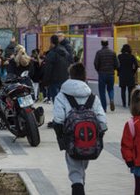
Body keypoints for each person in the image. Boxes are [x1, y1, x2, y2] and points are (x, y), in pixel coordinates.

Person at [52, 62, 107, 195]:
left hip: (71, 139)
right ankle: (80, 185)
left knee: (75, 171)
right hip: (89, 140)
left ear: (70, 75)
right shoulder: (93, 97)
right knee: (82, 166)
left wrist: (61, 138)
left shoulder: (62, 96)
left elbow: (58, 120)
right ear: (84, 77)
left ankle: (78, 188)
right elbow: (102, 121)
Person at [43, 35, 70, 103]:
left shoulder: (52, 53)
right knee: (64, 100)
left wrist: (45, 81)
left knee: (57, 101)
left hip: (54, 80)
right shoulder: (65, 52)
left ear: (51, 42)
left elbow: (48, 68)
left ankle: (59, 113)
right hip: (65, 79)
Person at [94, 39, 118, 112]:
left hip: (102, 74)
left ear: (101, 44)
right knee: (110, 89)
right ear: (108, 44)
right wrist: (113, 69)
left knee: (102, 91)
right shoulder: (113, 53)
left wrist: (98, 70)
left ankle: (104, 108)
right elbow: (117, 64)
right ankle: (111, 99)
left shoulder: (99, 53)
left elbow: (96, 63)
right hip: (111, 74)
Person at [117, 44, 139, 108]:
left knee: (123, 90)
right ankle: (129, 103)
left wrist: (119, 71)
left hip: (122, 75)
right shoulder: (132, 57)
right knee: (130, 90)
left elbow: (117, 65)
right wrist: (133, 71)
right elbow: (136, 65)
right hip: (130, 75)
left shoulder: (119, 56)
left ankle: (124, 103)